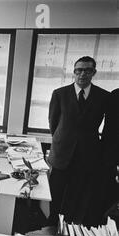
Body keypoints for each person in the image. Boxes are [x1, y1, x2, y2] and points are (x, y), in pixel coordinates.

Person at [47, 56, 109, 226]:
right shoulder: (59, 93)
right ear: (73, 72)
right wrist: (62, 139)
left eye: (87, 70)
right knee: (56, 189)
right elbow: (53, 122)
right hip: (62, 151)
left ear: (94, 73)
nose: (83, 74)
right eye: (79, 70)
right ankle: (52, 221)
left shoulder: (104, 96)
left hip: (87, 153)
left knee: (77, 191)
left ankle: (69, 224)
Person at [100, 88, 119, 221]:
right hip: (109, 158)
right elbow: (109, 131)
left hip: (110, 156)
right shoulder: (115, 95)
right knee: (106, 197)